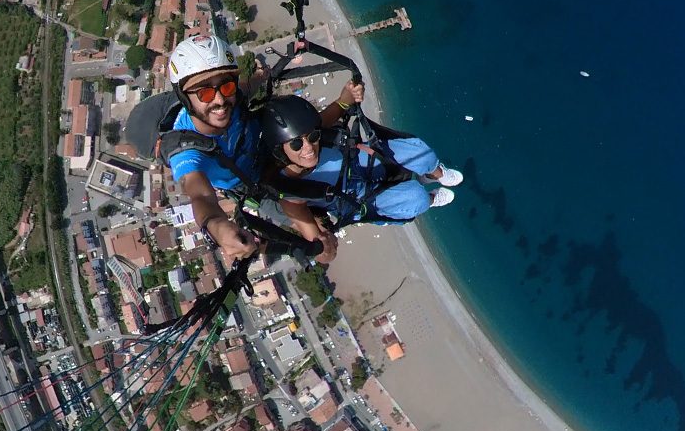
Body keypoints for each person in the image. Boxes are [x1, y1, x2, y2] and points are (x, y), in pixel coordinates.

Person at [166, 35, 363, 259]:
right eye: (205, 93)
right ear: (185, 97)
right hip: (255, 187)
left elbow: (247, 86)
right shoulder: (187, 150)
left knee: (297, 127)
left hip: (266, 149)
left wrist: (262, 75)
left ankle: (342, 105)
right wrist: (217, 228)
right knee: (324, 252)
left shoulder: (232, 97)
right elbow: (200, 195)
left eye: (226, 86)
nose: (220, 100)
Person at [260, 95, 463, 262]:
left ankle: (435, 174)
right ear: (281, 150)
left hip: (360, 162)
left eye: (312, 137)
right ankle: (432, 198)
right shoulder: (291, 193)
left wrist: (351, 91)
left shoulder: (315, 131)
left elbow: (341, 103)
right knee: (418, 199)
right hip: (355, 199)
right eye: (296, 145)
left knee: (424, 156)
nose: (308, 148)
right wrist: (323, 246)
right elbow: (322, 252)